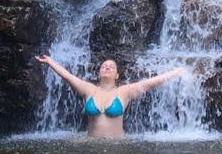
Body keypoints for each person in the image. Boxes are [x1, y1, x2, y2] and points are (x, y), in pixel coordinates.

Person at [35, 54, 185, 138]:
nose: (107, 67)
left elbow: (150, 83)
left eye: (111, 67)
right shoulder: (89, 89)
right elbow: (67, 76)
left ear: (117, 75)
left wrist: (175, 73)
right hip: (92, 145)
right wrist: (50, 61)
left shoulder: (124, 92)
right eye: (104, 66)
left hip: (116, 146)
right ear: (99, 73)